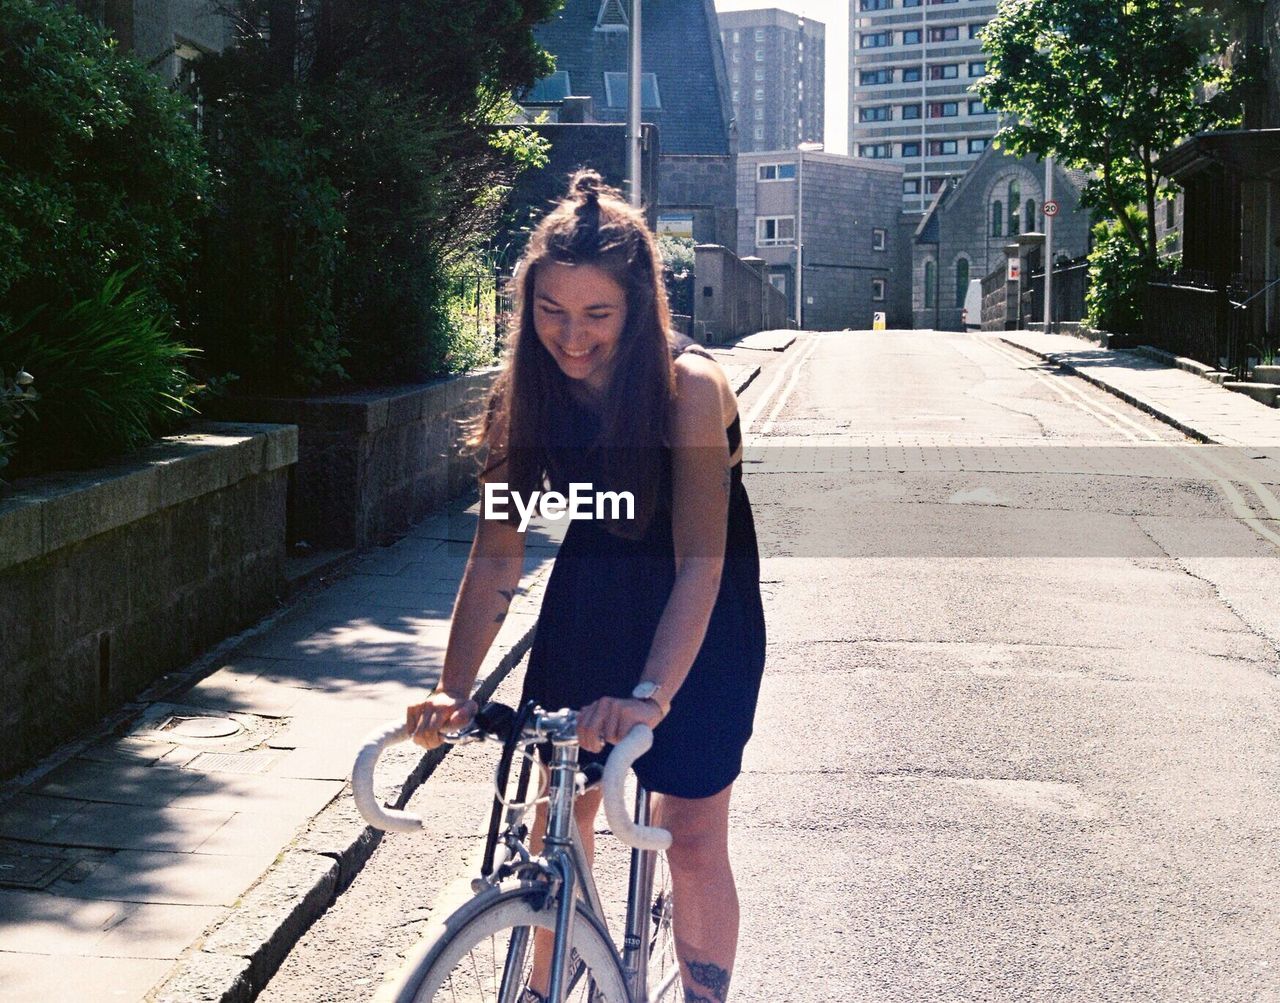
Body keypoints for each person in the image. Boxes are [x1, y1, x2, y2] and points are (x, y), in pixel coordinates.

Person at [406, 169, 766, 1003]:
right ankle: (544, 990)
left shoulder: (691, 392)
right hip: (596, 591)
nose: (572, 338)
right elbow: (499, 553)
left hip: (701, 609)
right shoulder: (524, 395)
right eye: (552, 312)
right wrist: (450, 687)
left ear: (638, 309)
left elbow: (699, 564)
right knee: (555, 807)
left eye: (598, 315)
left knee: (690, 833)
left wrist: (648, 695)